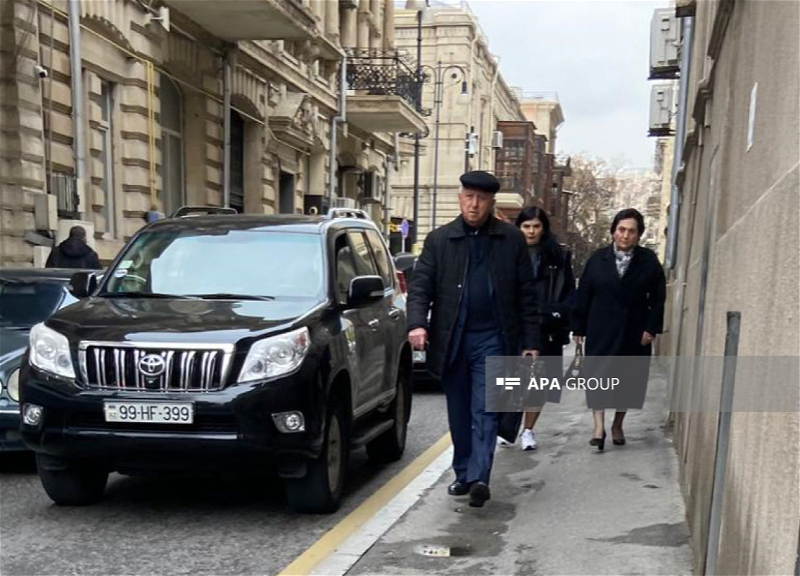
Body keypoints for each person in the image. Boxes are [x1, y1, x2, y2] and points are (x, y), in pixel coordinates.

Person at [407, 170, 540, 508]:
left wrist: (530, 341)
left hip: (494, 337)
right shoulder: (440, 240)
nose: (474, 204)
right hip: (453, 338)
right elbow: (420, 287)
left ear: (491, 202)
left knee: (486, 407)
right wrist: (418, 324)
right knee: (459, 409)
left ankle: (480, 476)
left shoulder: (510, 240)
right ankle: (464, 472)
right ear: (460, 198)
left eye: (481, 199)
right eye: (469, 197)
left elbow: (527, 294)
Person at [571, 208, 666, 450]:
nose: (625, 235)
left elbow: (658, 298)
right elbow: (584, 294)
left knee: (628, 380)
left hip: (634, 331)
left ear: (638, 235)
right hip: (601, 329)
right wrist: (578, 328)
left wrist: (651, 328)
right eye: (621, 229)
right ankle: (598, 427)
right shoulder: (598, 259)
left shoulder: (648, 261)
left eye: (631, 231)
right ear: (613, 231)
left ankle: (617, 424)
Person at [509, 206, 575, 451]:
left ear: (544, 228)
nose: (531, 231)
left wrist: (559, 312)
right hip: (516, 325)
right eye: (526, 226)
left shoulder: (559, 257)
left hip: (548, 327)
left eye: (536, 226)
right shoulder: (507, 252)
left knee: (541, 382)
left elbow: (569, 291)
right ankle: (508, 426)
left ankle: (528, 430)